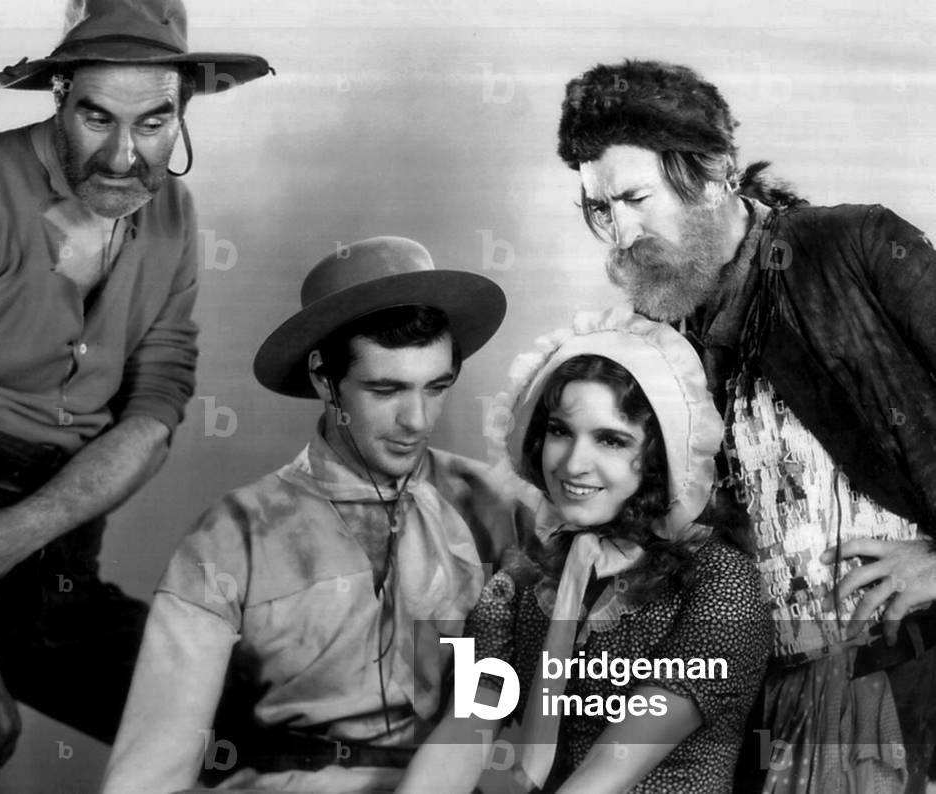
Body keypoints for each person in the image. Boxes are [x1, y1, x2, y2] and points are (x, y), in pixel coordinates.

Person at [0, 1, 271, 790]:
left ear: (183, 112)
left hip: (54, 550)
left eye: (153, 123)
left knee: (264, 717)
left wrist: (20, 531)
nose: (121, 155)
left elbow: (157, 405)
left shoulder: (173, 213)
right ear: (59, 94)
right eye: (96, 117)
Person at [556, 59, 936, 792]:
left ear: (716, 173)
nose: (619, 232)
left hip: (916, 674)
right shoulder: (652, 332)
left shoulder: (855, 248)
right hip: (776, 697)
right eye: (598, 209)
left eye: (635, 197)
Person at [99, 235, 522, 794]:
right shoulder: (233, 535)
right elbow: (150, 770)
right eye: (385, 389)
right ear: (324, 379)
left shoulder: (496, 509)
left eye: (436, 387)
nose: (417, 420)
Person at [399, 307, 770, 794]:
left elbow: (606, 774)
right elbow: (464, 735)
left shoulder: (721, 585)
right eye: (559, 431)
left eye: (611, 440)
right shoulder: (515, 586)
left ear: (660, 456)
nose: (574, 464)